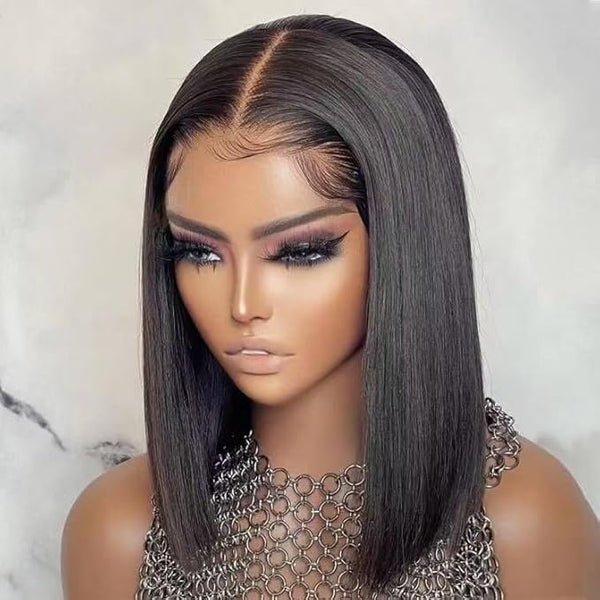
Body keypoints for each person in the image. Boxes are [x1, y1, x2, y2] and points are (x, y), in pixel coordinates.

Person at [60, 13, 600, 599]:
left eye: (299, 252)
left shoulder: (522, 523)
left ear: (403, 243)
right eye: (200, 252)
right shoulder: (119, 532)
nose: (241, 304)